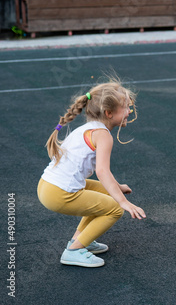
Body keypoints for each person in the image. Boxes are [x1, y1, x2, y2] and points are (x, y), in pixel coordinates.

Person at [37, 79, 146, 268]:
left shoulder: (87, 128)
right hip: (59, 193)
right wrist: (123, 201)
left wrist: (117, 188)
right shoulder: (103, 135)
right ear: (109, 113)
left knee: (106, 192)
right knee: (114, 208)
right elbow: (102, 171)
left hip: (47, 185)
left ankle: (80, 240)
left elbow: (101, 176)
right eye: (126, 108)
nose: (130, 112)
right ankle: (73, 251)